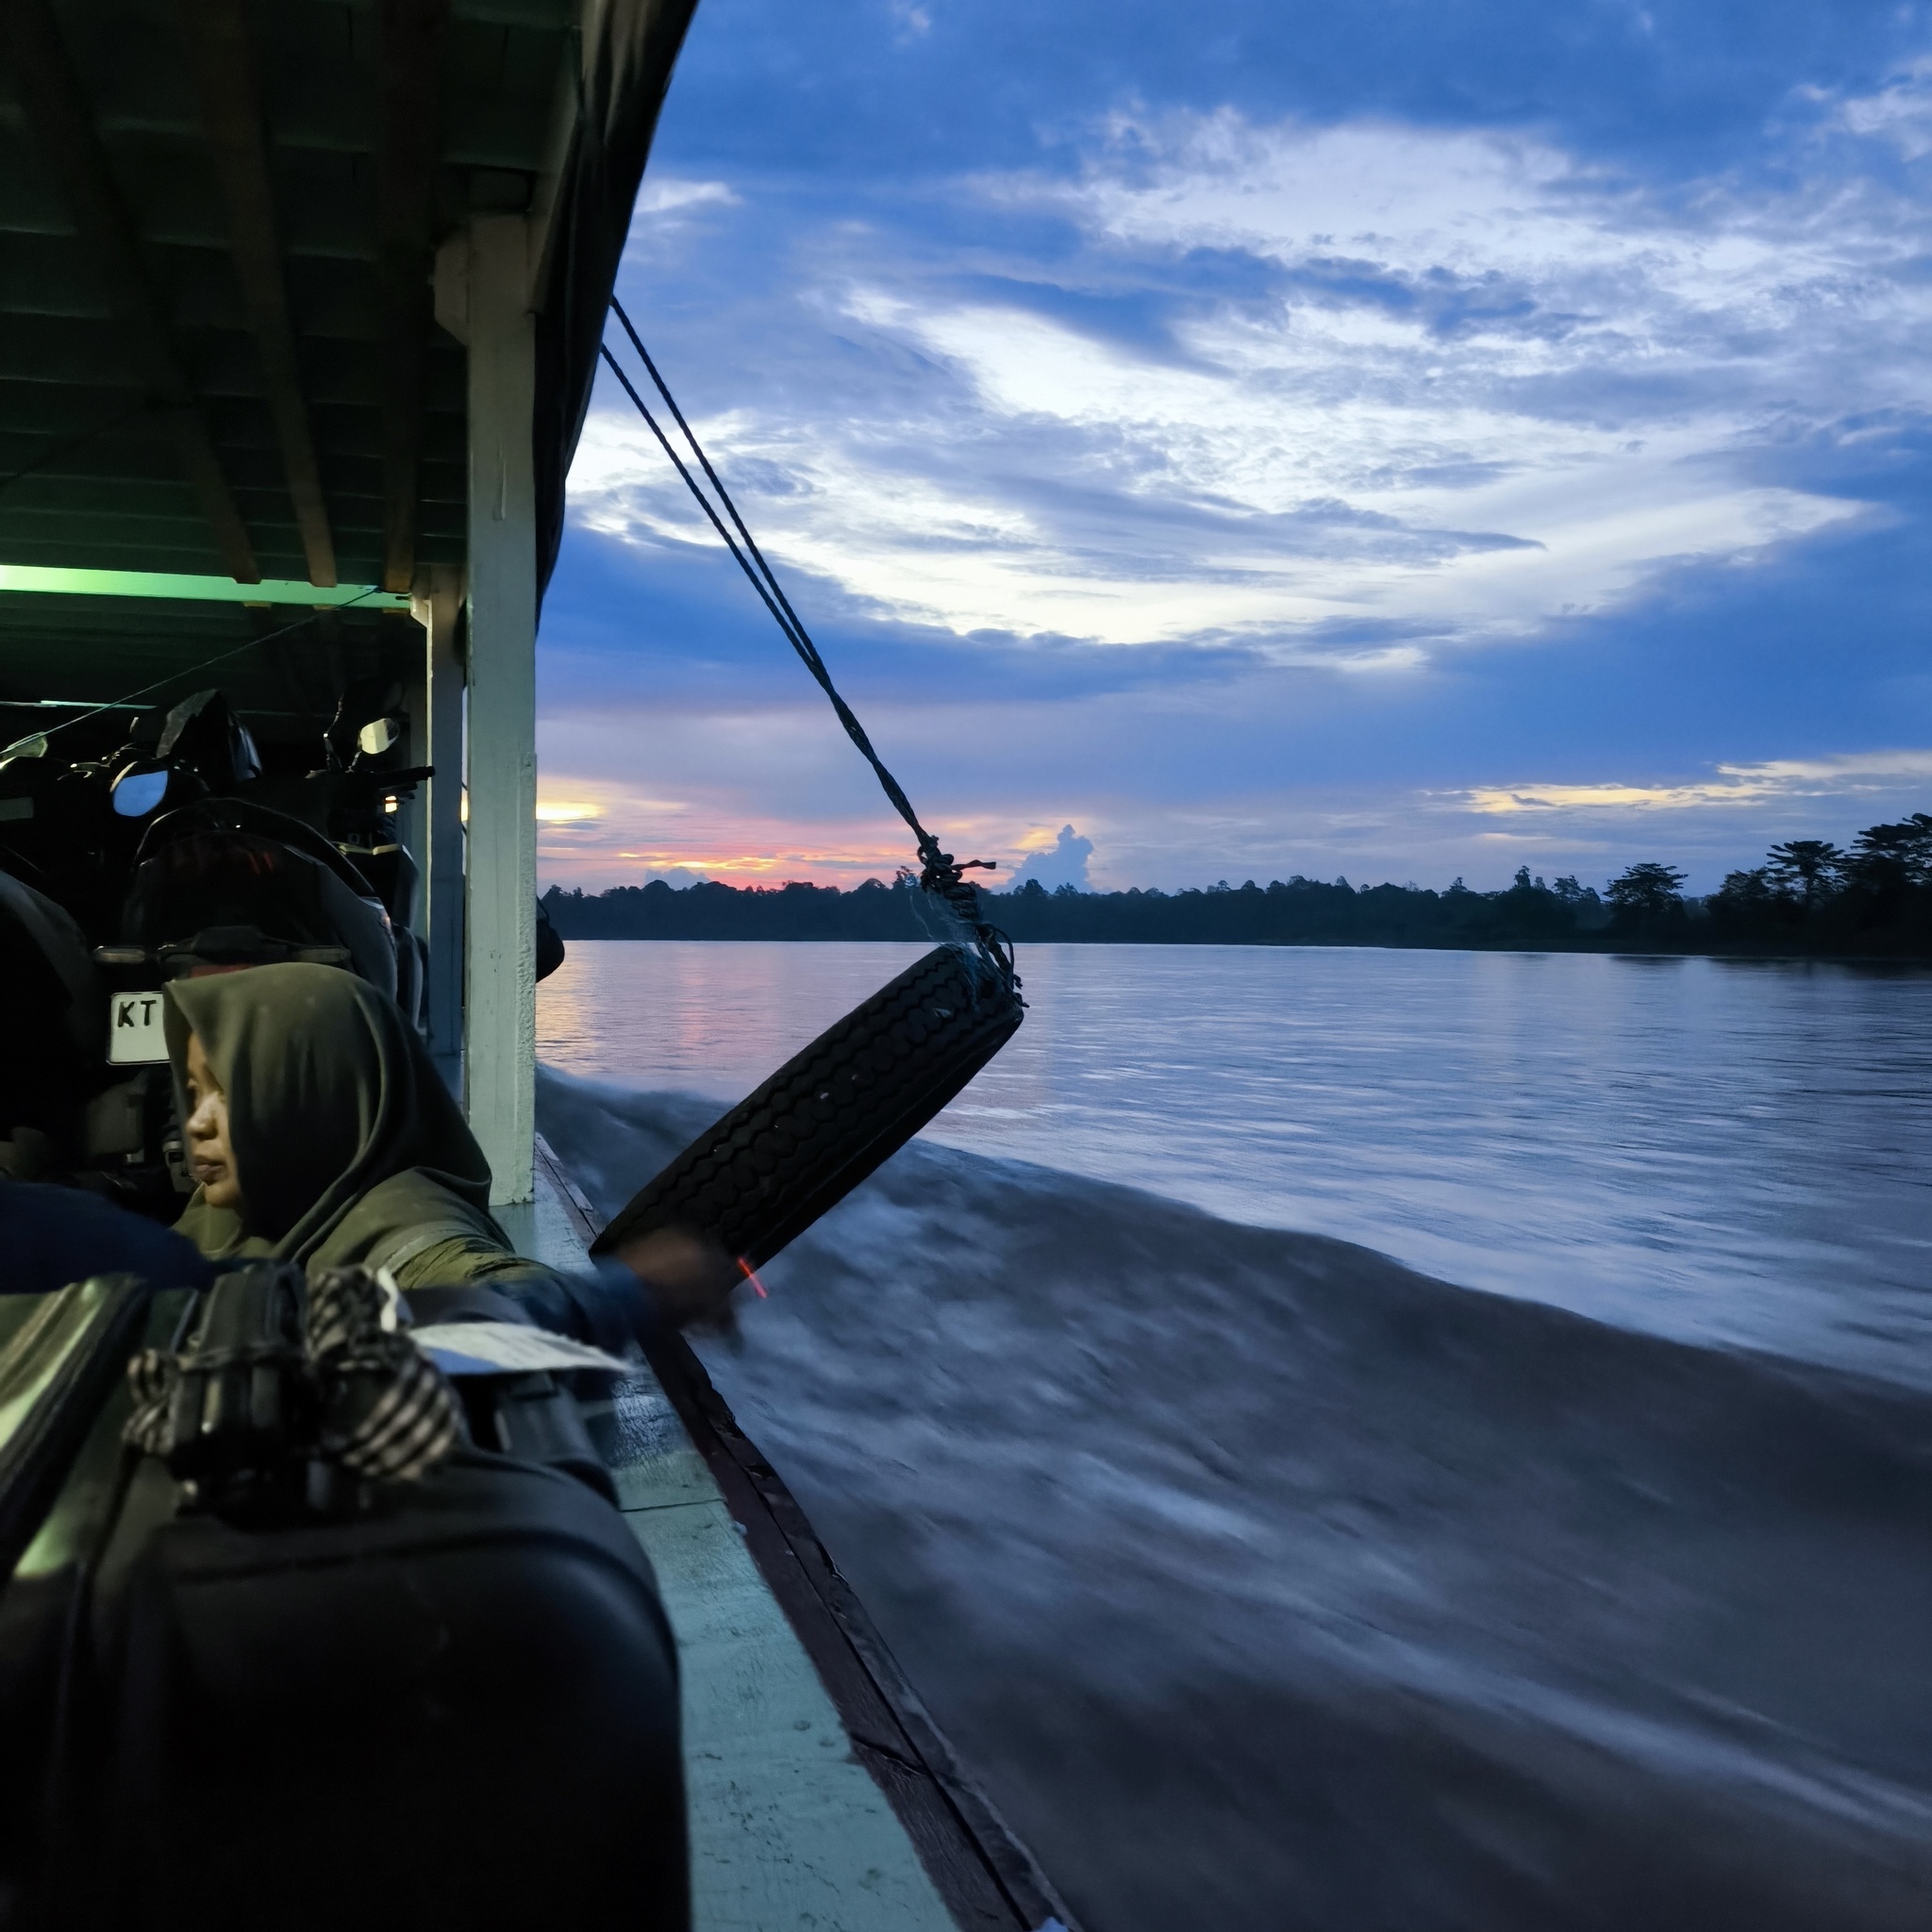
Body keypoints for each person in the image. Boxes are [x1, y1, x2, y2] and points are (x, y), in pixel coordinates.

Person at [164, 962, 737, 1350]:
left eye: (228, 1091)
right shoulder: (244, 1213)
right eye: (194, 1093)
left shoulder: (404, 1232)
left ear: (320, 1095)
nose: (196, 1123)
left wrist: (628, 1292)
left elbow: (490, 1304)